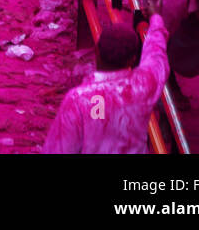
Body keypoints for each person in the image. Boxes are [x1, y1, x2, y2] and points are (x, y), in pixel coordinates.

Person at [42, 15, 170, 153]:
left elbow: (59, 149)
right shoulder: (144, 85)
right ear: (132, 60)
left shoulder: (78, 99)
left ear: (96, 51)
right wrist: (156, 18)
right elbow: (156, 55)